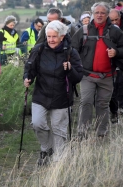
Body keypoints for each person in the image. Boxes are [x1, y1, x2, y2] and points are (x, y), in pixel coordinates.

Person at [23, 20, 83, 165]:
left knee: (59, 130)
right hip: (41, 94)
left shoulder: (70, 52)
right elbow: (30, 68)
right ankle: (46, 148)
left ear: (62, 36)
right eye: (48, 36)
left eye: (54, 37)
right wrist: (27, 78)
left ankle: (58, 164)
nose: (50, 40)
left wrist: (69, 69)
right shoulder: (39, 50)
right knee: (37, 123)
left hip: (62, 97)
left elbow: (78, 77)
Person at [71, 2, 123, 138]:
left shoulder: (115, 31)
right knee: (86, 101)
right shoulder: (84, 30)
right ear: (93, 14)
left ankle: (101, 133)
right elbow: (72, 50)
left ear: (107, 15)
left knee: (103, 104)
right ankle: (83, 133)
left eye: (103, 13)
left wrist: (116, 52)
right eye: (97, 12)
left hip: (108, 76)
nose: (99, 15)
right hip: (87, 75)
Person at [108, 9, 123, 122]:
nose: (114, 22)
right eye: (111, 20)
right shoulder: (107, 29)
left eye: (116, 20)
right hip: (112, 63)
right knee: (113, 88)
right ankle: (114, 111)